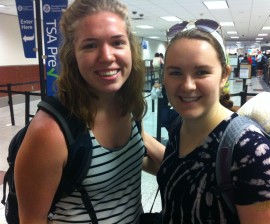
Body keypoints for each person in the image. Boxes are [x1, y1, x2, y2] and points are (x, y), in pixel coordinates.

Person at [14, 0, 164, 223]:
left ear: (130, 49)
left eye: (117, 42)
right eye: (90, 45)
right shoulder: (51, 132)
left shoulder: (127, 107)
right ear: (72, 55)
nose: (106, 56)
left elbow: (137, 153)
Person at [157, 22, 270, 223]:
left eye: (201, 72)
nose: (187, 85)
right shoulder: (179, 126)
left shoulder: (250, 149)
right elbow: (184, 168)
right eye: (175, 72)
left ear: (224, 75)